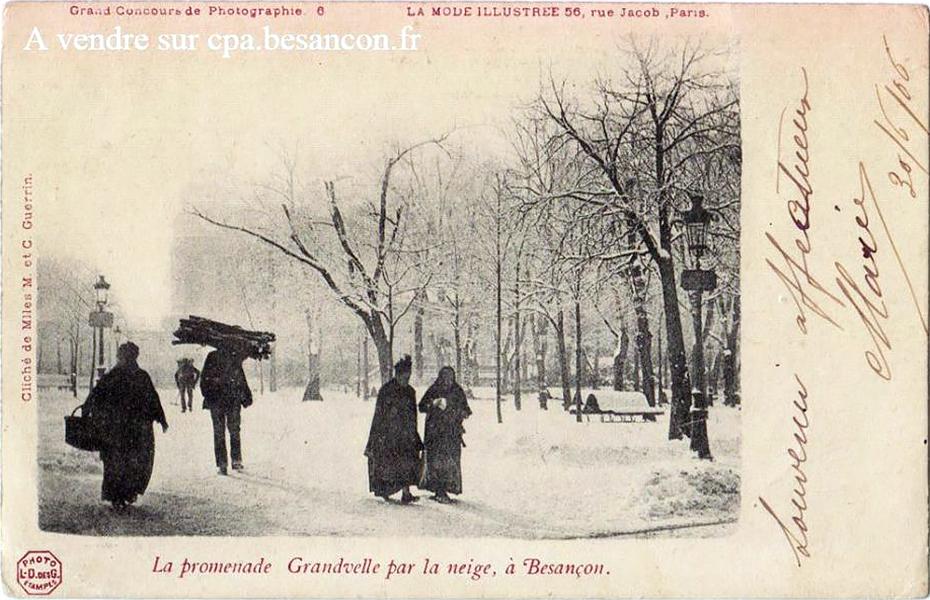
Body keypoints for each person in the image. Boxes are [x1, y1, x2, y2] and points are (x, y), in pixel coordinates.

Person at [86, 342, 168, 511]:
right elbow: (153, 398)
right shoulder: (141, 376)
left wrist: (87, 411)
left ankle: (116, 496)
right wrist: (161, 418)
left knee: (115, 461)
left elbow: (96, 395)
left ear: (122, 357)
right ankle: (127, 494)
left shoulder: (112, 376)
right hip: (137, 429)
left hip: (115, 429)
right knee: (134, 461)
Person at [364, 355, 422, 504]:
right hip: (388, 433)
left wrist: (414, 434)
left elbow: (413, 414)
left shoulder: (410, 391)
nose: (406, 381)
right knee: (389, 464)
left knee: (407, 463)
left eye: (408, 378)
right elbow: (380, 414)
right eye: (404, 377)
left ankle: (406, 493)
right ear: (397, 375)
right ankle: (385, 491)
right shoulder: (386, 390)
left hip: (406, 434)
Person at [418, 366, 472, 504]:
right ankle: (438, 490)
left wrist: (459, 412)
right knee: (436, 461)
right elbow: (421, 406)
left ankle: (446, 489)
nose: (448, 381)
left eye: (451, 378)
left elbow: (466, 410)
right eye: (445, 378)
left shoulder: (457, 390)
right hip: (435, 433)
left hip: (452, 433)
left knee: (450, 461)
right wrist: (433, 403)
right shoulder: (434, 389)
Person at [200, 346, 252, 476]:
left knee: (220, 432)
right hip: (230, 400)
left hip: (217, 401)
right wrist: (246, 397)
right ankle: (236, 460)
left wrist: (208, 394)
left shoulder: (212, 357)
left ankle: (222, 464)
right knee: (234, 430)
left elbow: (203, 380)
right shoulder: (234, 357)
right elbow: (241, 379)